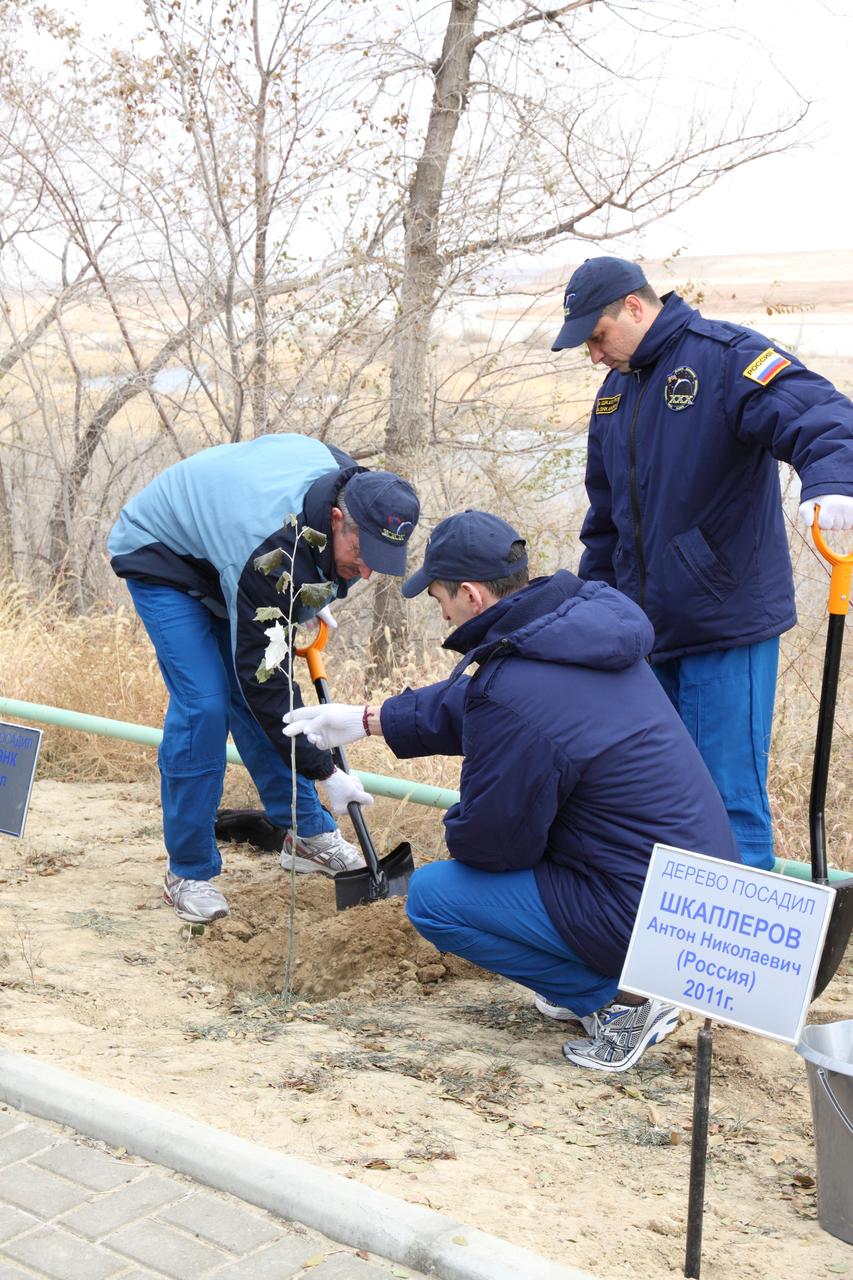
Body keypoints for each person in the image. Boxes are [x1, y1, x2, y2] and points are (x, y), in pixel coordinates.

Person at [284, 510, 740, 1073]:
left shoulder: (516, 686)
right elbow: (475, 697)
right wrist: (367, 718)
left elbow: (493, 846)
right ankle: (612, 978)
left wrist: (457, 819)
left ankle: (621, 1001)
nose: (442, 613)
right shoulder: (576, 632)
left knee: (435, 896)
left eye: (440, 599)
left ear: (471, 595)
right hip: (697, 894)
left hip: (641, 915)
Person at [551, 257, 853, 871]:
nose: (593, 355)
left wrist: (831, 480)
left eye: (597, 337)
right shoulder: (614, 395)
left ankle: (744, 963)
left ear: (634, 308)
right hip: (643, 637)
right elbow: (605, 523)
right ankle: (677, 948)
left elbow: (821, 415)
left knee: (728, 799)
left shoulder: (722, 358)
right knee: (662, 800)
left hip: (723, 624)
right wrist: (595, 616)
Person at [108, 433, 419, 924]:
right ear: (337, 520)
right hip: (165, 554)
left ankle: (306, 833)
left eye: (378, 562)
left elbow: (305, 581)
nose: (364, 572)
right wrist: (328, 771)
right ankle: (188, 871)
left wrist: (307, 600)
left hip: (231, 554)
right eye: (361, 554)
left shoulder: (356, 490)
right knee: (207, 704)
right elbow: (264, 681)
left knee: (257, 700)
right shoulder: (272, 548)